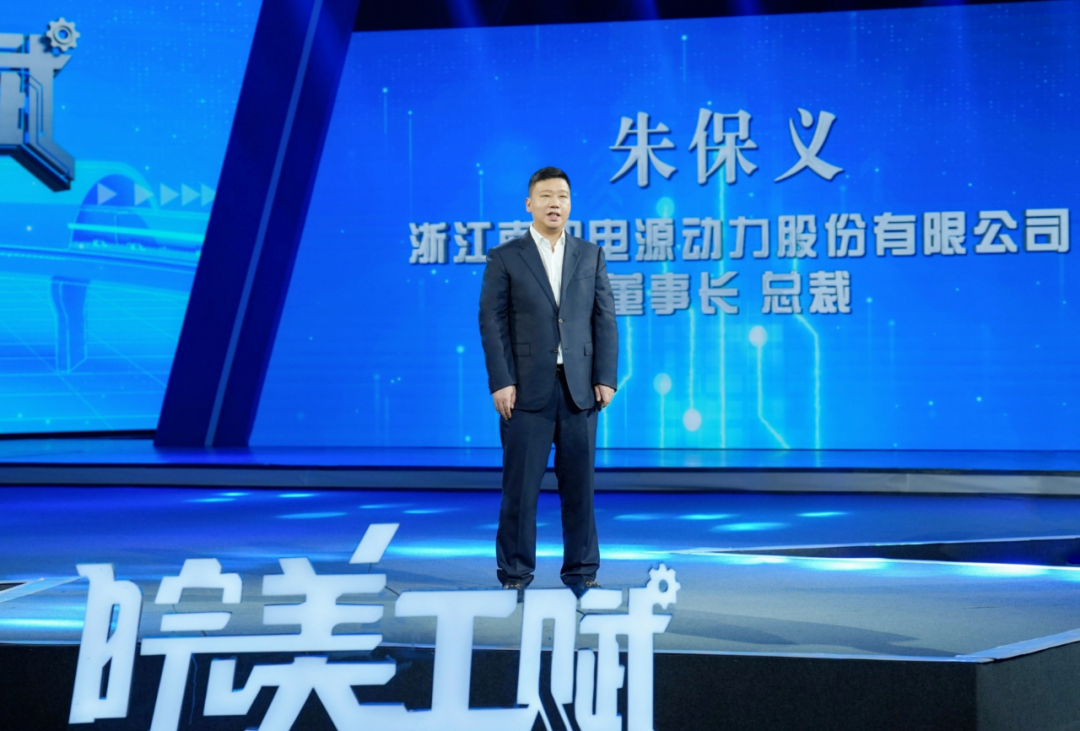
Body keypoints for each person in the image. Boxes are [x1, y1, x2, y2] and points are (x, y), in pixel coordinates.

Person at [478, 166, 618, 599]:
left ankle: (582, 571)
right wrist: (501, 381)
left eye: (562, 196)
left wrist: (605, 377)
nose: (555, 203)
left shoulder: (590, 255)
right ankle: (515, 573)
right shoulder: (505, 257)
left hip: (579, 390)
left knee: (580, 488)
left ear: (570, 204)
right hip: (524, 391)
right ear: (529, 204)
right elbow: (491, 323)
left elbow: (605, 319)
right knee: (520, 489)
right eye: (546, 196)